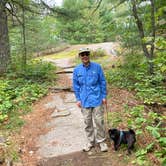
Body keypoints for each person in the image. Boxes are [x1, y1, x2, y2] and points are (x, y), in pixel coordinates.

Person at [73, 47, 108, 152]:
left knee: (99, 121)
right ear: (80, 56)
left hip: (97, 99)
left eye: (86, 54)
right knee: (87, 122)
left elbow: (102, 82)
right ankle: (90, 142)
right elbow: (76, 86)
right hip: (84, 100)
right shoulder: (77, 70)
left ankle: (101, 141)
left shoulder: (97, 67)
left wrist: (104, 96)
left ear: (89, 55)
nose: (85, 56)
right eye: (82, 54)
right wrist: (78, 99)